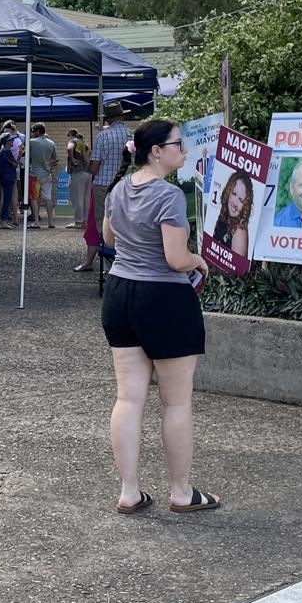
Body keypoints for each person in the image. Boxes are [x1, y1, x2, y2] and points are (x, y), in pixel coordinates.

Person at [100, 119, 217, 515]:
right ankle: (182, 492)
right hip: (163, 298)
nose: (183, 150)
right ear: (156, 151)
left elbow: (109, 239)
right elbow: (174, 259)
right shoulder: (169, 196)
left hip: (119, 295)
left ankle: (129, 491)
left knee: (129, 398)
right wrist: (198, 260)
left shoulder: (118, 189)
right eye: (178, 144)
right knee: (176, 403)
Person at [89, 102, 130, 235]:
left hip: (103, 184)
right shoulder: (132, 134)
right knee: (125, 217)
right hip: (126, 183)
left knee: (103, 219)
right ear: (122, 117)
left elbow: (95, 167)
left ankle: (105, 244)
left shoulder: (102, 136)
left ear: (107, 119)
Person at [212, 170, 253, 256]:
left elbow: (237, 268)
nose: (235, 203)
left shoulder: (239, 231)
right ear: (228, 192)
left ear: (245, 205)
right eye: (234, 194)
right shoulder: (223, 217)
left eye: (241, 200)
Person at [27, 122, 58, 229]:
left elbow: (25, 154)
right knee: (47, 198)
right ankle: (50, 222)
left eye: (33, 131)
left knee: (34, 198)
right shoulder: (51, 143)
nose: (32, 134)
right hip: (47, 174)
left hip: (35, 174)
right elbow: (55, 159)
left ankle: (36, 221)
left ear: (38, 131)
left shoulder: (31, 142)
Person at [66, 129, 91, 230]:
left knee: (77, 198)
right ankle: (85, 221)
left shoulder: (74, 141)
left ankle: (78, 222)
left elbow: (69, 148)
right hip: (88, 172)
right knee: (86, 199)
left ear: (71, 135)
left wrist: (71, 159)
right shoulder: (85, 144)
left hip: (78, 172)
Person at [0, 131, 20, 229]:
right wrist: (20, 155)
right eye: (11, 140)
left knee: (7, 200)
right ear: (7, 141)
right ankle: (3, 221)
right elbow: (15, 164)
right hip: (7, 178)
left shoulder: (6, 151)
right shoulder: (5, 152)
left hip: (8, 178)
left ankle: (4, 220)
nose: (13, 141)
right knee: (6, 200)